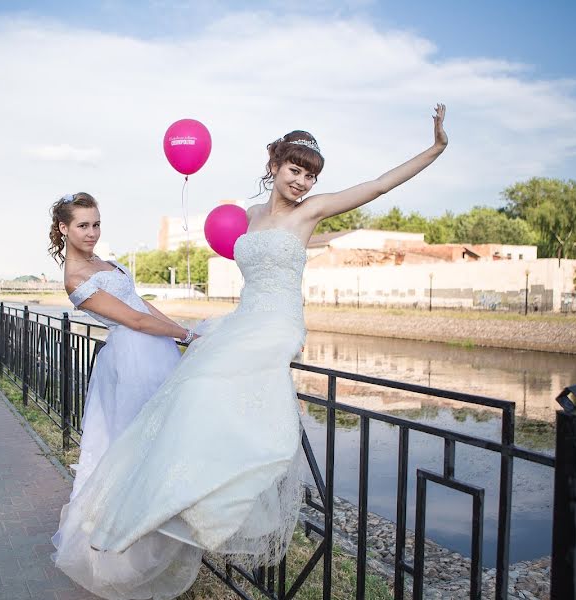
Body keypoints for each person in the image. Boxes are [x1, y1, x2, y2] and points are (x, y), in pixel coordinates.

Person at [52, 105, 449, 599]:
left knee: (210, 385)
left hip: (277, 322)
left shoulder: (312, 210)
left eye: (310, 174)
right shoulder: (251, 214)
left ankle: (216, 500)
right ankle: (175, 502)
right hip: (243, 318)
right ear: (275, 166)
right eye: (295, 169)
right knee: (192, 385)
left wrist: (434, 148)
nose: (302, 181)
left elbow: (380, 184)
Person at [50, 193, 203, 598]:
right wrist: (185, 335)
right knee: (129, 450)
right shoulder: (75, 279)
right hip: (131, 360)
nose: (92, 232)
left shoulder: (108, 263)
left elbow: (143, 305)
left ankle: (166, 527)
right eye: (83, 225)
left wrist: (183, 332)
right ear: (64, 229)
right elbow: (133, 319)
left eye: (96, 223)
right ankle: (119, 552)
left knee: (160, 443)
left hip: (156, 351)